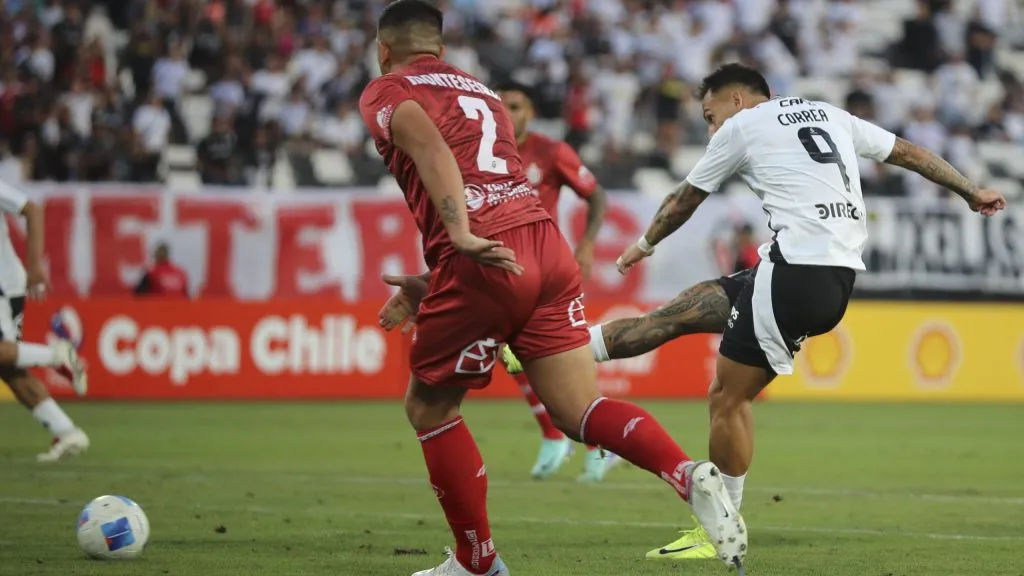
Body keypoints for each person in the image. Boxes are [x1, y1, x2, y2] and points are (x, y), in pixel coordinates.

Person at [502, 62, 1007, 562]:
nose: (711, 126)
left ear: (737, 100)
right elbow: (909, 152)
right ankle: (561, 349)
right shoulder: (828, 113)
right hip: (822, 273)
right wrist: (970, 190)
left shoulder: (743, 125)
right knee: (678, 313)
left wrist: (642, 244)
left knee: (726, 397)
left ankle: (721, 527)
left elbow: (684, 200)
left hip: (795, 273)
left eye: (709, 114)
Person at [360, 3, 747, 575]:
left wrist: (460, 236)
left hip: (485, 253)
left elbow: (433, 152)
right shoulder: (484, 92)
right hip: (546, 248)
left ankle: (477, 564)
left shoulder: (386, 89)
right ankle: (687, 476)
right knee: (578, 408)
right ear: (440, 50)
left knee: (430, 405)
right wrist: (435, 280)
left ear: (383, 49)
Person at [494, 80, 614, 483]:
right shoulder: (483, 155)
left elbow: (596, 196)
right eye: (501, 106)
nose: (508, 113)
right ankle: (552, 435)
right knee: (507, 353)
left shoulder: (550, 152)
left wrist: (587, 244)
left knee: (567, 360)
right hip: (503, 268)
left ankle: (599, 444)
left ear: (530, 112)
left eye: (515, 105)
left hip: (546, 270)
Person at [0, 178, 89, 462]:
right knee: (9, 370)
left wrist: (35, 264)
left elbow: (32, 210)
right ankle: (67, 432)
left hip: (3, 284)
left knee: (3, 354)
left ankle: (58, 355)